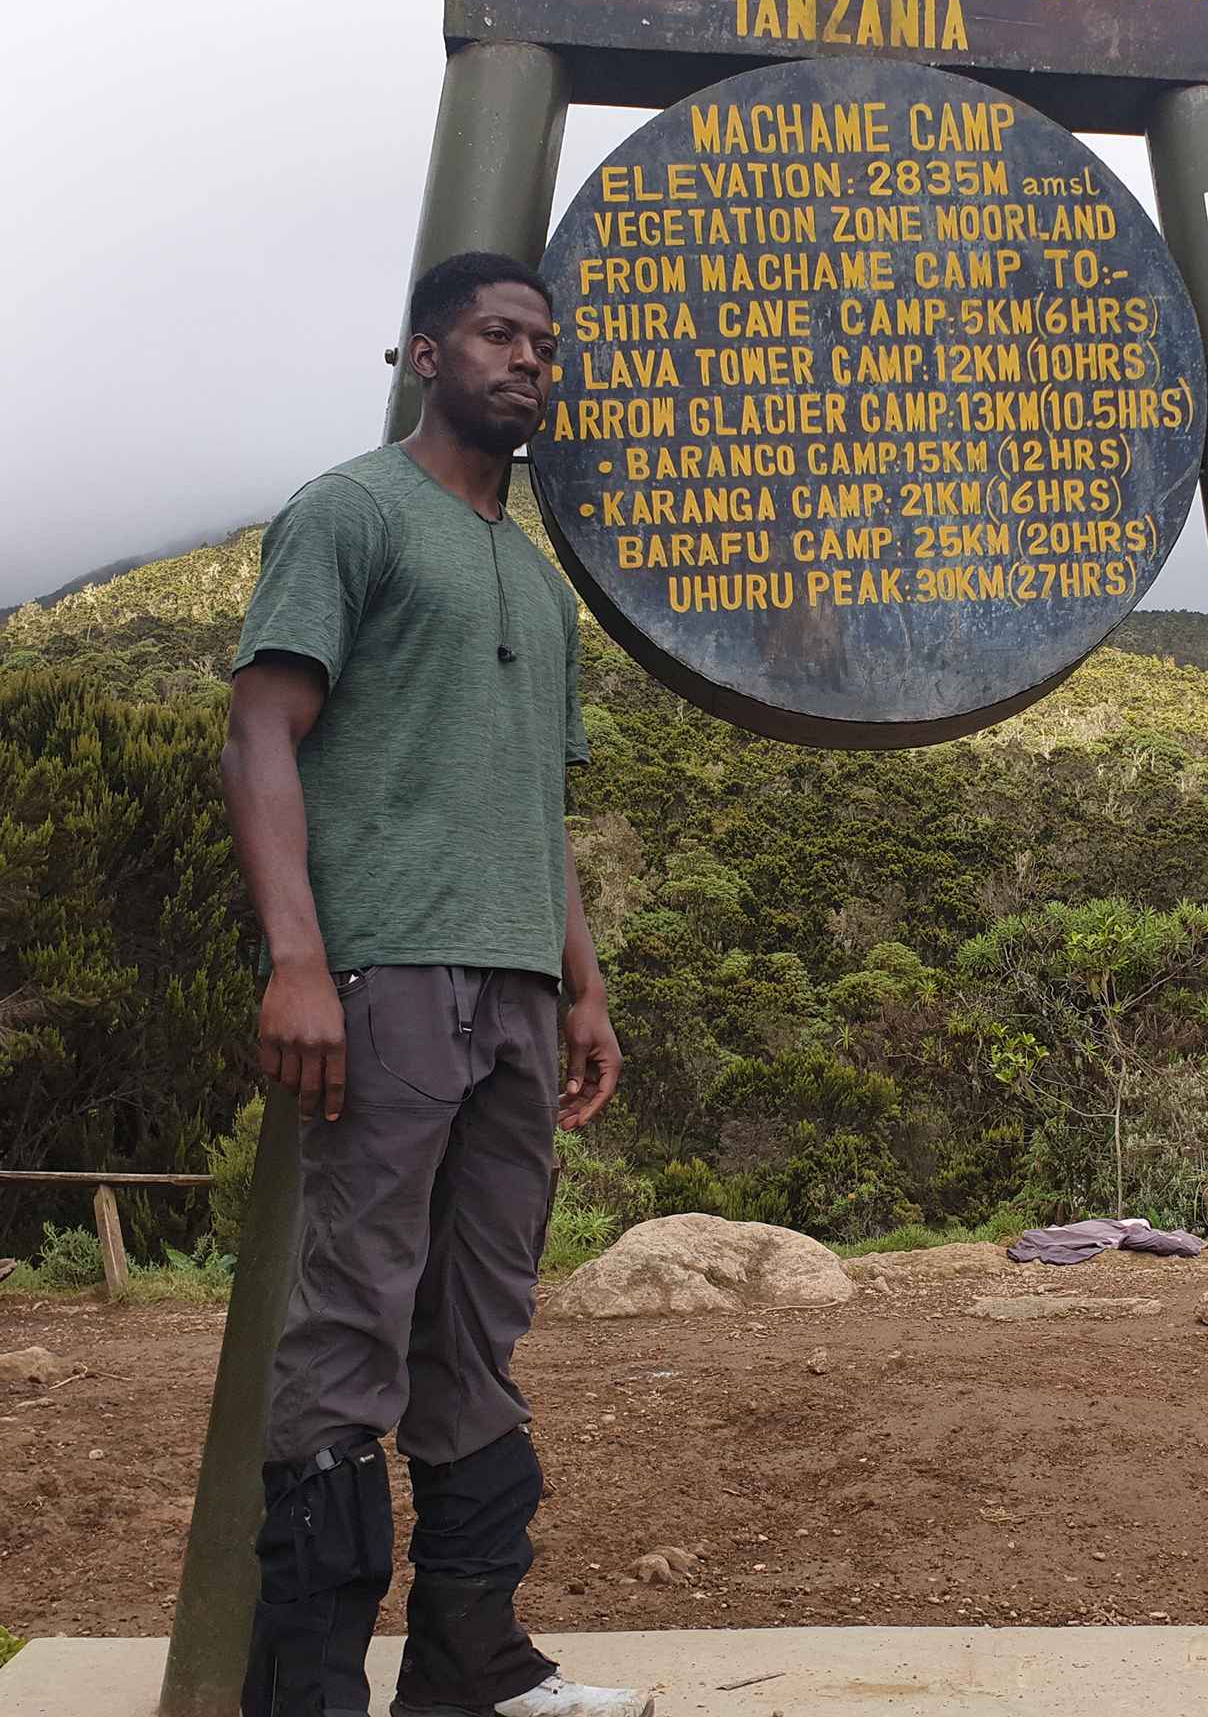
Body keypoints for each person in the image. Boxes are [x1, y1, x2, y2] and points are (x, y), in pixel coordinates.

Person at [222, 251, 648, 1717]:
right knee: (353, 1318)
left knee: (479, 1321)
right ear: (423, 354)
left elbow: (536, 806)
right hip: (388, 974)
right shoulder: (350, 513)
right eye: (496, 335)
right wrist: (298, 961)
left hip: (522, 993)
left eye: (542, 342)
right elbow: (262, 732)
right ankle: (313, 1691)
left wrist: (581, 988)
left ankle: (473, 1667)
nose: (528, 360)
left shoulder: (534, 575)